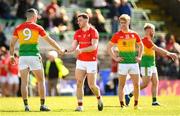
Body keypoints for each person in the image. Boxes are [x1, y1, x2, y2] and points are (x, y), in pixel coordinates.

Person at [10, 8, 64, 112]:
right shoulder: (37, 27)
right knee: (41, 81)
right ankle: (42, 105)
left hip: (23, 57)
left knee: (24, 83)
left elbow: (12, 44)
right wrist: (59, 49)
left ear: (27, 16)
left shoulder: (18, 27)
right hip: (34, 56)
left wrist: (12, 56)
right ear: (34, 16)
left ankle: (26, 106)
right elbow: (50, 41)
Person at [125, 23, 178, 106]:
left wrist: (166, 54)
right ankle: (129, 95)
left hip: (152, 64)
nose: (154, 32)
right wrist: (169, 53)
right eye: (153, 30)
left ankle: (154, 101)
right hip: (146, 64)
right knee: (145, 84)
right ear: (149, 31)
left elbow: (156, 50)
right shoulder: (145, 40)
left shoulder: (148, 40)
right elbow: (157, 49)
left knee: (155, 82)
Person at [65, 13, 103, 112]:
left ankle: (99, 98)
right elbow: (73, 47)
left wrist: (81, 50)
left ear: (86, 20)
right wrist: (64, 50)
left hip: (91, 62)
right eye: (78, 20)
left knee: (92, 85)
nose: (78, 22)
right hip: (81, 61)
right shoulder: (77, 32)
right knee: (79, 82)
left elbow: (94, 46)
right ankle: (80, 105)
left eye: (80, 20)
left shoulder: (93, 31)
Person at [107, 14, 144, 109]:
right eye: (121, 23)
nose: (122, 24)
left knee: (136, 84)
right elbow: (109, 47)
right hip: (123, 64)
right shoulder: (117, 35)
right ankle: (122, 105)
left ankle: (136, 105)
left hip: (133, 63)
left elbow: (141, 46)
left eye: (124, 22)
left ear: (129, 22)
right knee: (121, 85)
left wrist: (139, 57)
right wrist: (115, 58)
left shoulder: (134, 34)